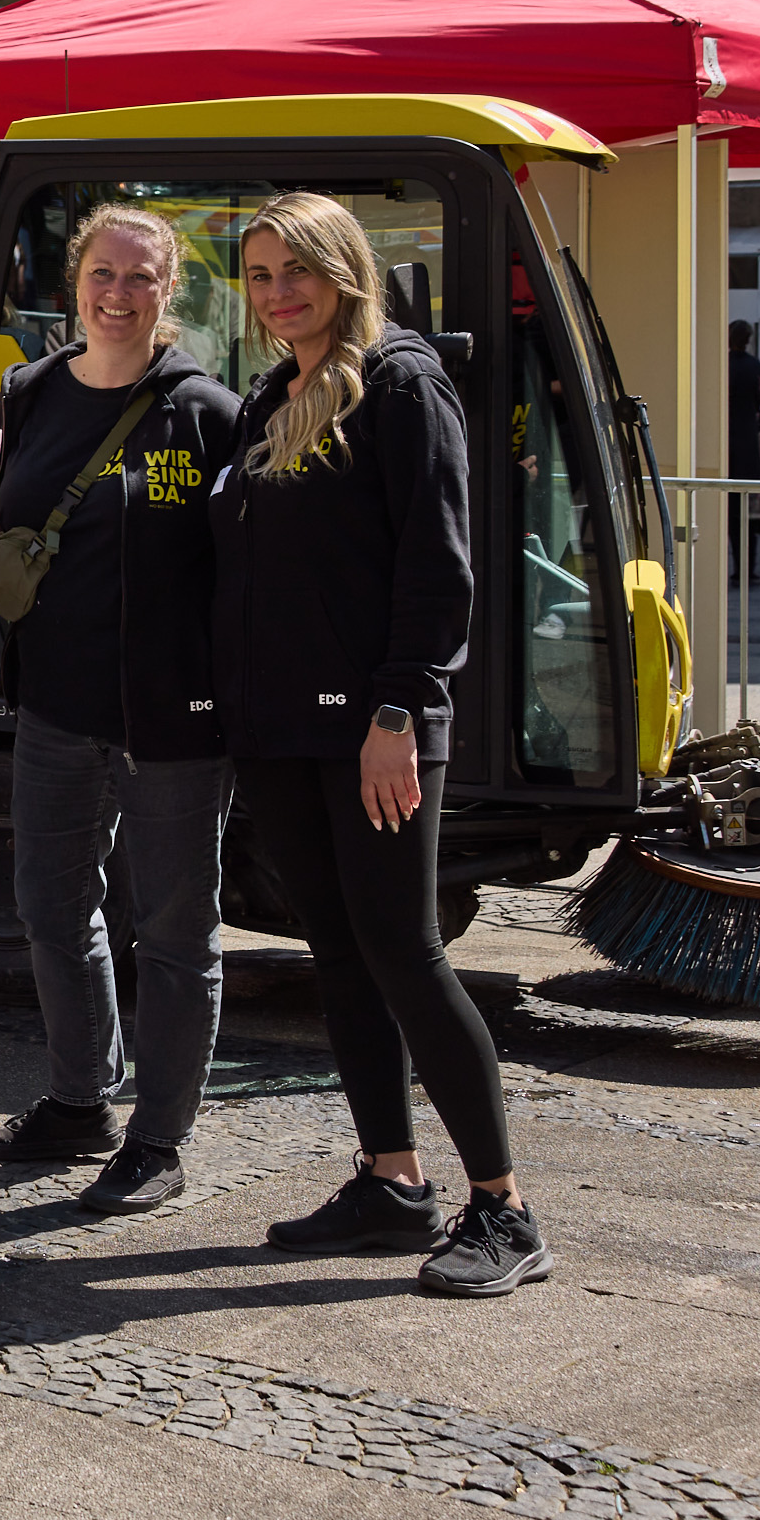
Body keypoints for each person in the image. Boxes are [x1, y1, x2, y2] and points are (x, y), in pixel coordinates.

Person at [214, 192, 547, 1297]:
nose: (276, 294)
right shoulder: (274, 393)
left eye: (295, 270)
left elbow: (435, 567)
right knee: (340, 950)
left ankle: (501, 1206)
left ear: (344, 268)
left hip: (374, 727)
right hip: (280, 729)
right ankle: (390, 1182)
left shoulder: (402, 383)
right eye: (258, 276)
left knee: (404, 949)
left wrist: (398, 712)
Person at [0, 205, 243, 1213]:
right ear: (74, 280)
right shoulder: (28, 395)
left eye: (140, 277)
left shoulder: (206, 411)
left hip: (175, 720)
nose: (117, 294)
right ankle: (81, 1102)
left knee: (173, 929)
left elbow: (241, 569)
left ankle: (157, 1138)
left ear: (169, 293)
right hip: (55, 708)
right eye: (102, 273)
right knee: (49, 904)